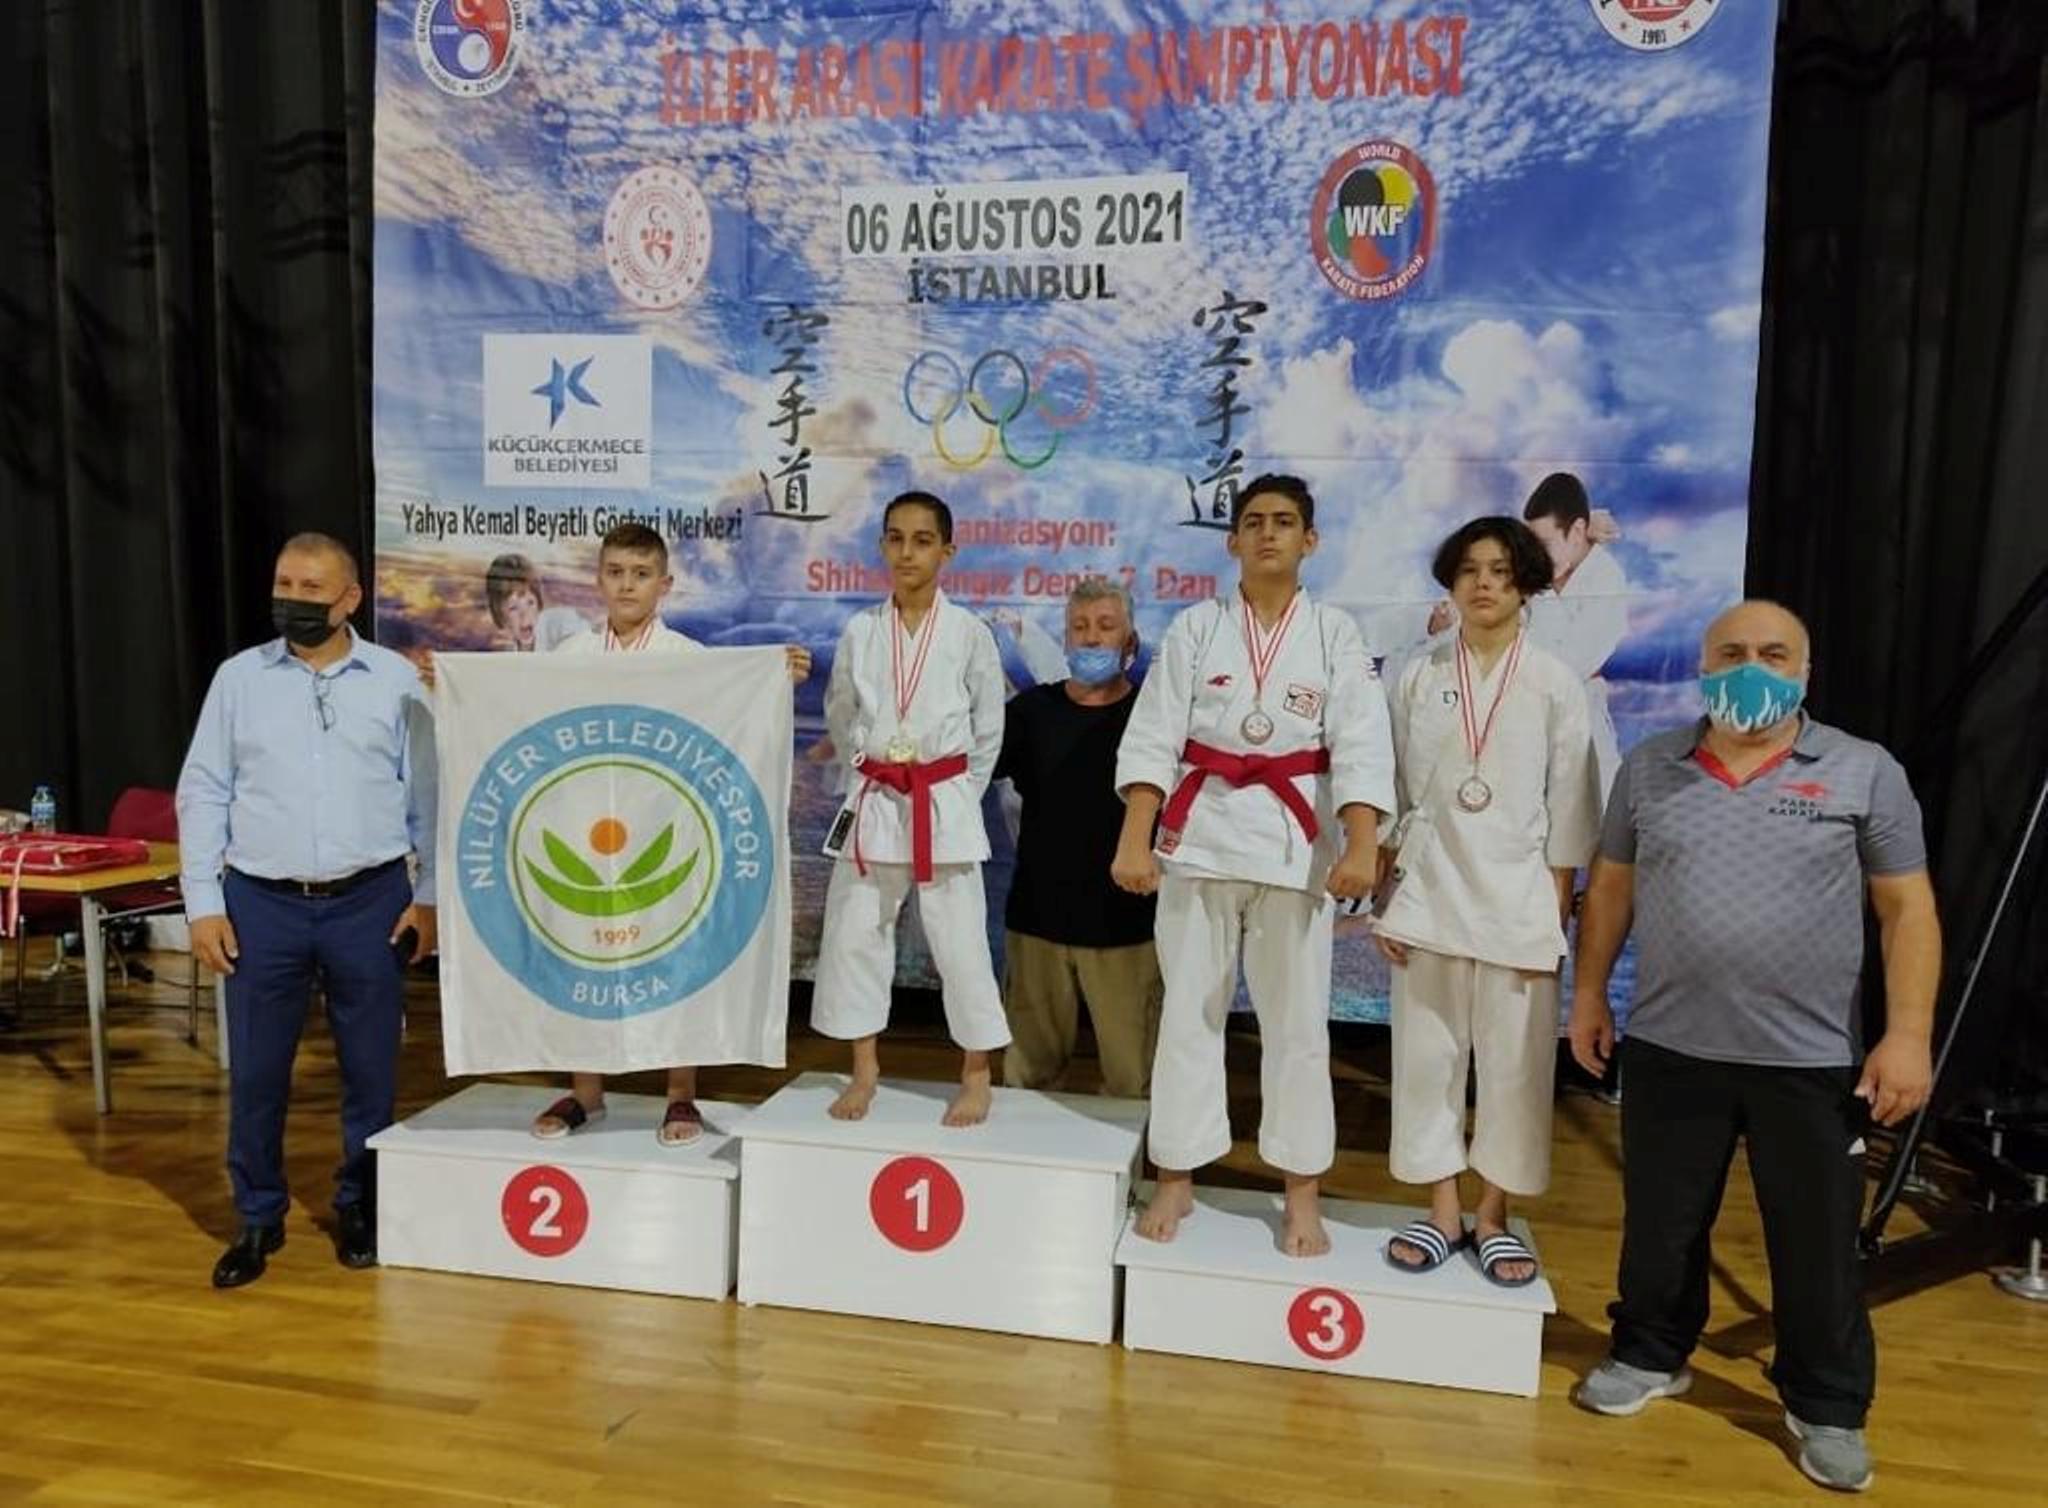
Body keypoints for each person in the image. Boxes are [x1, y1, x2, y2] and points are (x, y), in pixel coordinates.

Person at [1566, 600, 1941, 1494]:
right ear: (1704, 669)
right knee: (1661, 1225)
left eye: (1774, 654)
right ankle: (1650, 1352)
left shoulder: (1863, 771)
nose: (1751, 667)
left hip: (1810, 1060)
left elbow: (1907, 909)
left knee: (1815, 1243)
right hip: (1670, 1045)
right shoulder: (1651, 767)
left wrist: (1908, 1036)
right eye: (1731, 652)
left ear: (1805, 673)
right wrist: (1587, 993)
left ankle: (1828, 1404)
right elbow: (1611, 888)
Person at [1112, 474, 1394, 1256]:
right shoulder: (1197, 628)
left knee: (1298, 1028)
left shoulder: (1334, 633)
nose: (1269, 533)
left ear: (1311, 540)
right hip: (1199, 838)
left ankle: (1301, 1191)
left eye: (1286, 521)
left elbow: (1362, 742)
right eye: (1255, 522)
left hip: (1294, 847)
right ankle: (1176, 1173)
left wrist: (1362, 845)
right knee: (1188, 1015)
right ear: (1233, 540)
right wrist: (1135, 837)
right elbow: (1154, 735)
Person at [177, 532, 438, 1288]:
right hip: (261, 904)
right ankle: (258, 1215)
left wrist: (429, 899)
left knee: (371, 1071)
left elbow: (428, 797)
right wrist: (202, 903)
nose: (291, 599)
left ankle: (360, 1205)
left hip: (371, 902)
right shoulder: (238, 680)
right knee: (258, 1073)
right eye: (283, 583)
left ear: (349, 599)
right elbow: (204, 790)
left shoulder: (396, 681)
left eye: (310, 588)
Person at [529, 522, 809, 1145]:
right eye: (615, 573)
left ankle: (680, 1094)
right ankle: (586, 1091)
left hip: (667, 828)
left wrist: (773, 680)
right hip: (586, 828)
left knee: (675, 957)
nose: (627, 586)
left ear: (665, 584)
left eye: (640, 574)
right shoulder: (569, 657)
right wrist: (453, 687)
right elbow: (524, 716)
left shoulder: (689, 659)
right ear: (597, 579)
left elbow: (733, 718)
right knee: (582, 955)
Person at [1373, 518, 1600, 1285]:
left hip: (1519, 900)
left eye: (1500, 570)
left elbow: (1571, 808)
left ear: (1526, 582)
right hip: (1429, 891)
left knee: (1514, 1069)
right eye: (1469, 569)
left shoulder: (1555, 682)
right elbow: (1394, 793)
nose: (1483, 584)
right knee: (1427, 1062)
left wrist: (1554, 918)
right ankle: (1443, 1210)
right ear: (1451, 579)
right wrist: (1385, 898)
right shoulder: (1418, 674)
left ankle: (1494, 1215)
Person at [811, 491, 1010, 1126]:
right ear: (882, 546)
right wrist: (869, 770)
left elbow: (988, 729)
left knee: (961, 944)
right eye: (895, 538)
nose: (907, 552)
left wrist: (956, 794)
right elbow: (841, 714)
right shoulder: (861, 631)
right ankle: (864, 1070)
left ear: (947, 551)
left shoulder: (969, 633)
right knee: (855, 935)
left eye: (922, 540)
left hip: (942, 799)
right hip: (875, 796)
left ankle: (976, 1074)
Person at [996, 577, 1162, 1098]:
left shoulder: (1154, 718)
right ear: (1065, 641)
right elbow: (967, 770)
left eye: (1106, 627)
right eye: (1080, 627)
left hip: (1126, 928)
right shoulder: (1029, 714)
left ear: (1130, 641)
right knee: (1027, 1077)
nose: (1091, 638)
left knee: (1134, 1080)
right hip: (1036, 925)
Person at [1520, 473, 1630, 798]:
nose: (1534, 557)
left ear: (1578, 531)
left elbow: (1568, 663)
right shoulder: (1539, 572)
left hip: (1581, 718)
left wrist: (1540, 591)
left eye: (1544, 545)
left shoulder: (1606, 579)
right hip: (1526, 722)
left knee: (1592, 811)